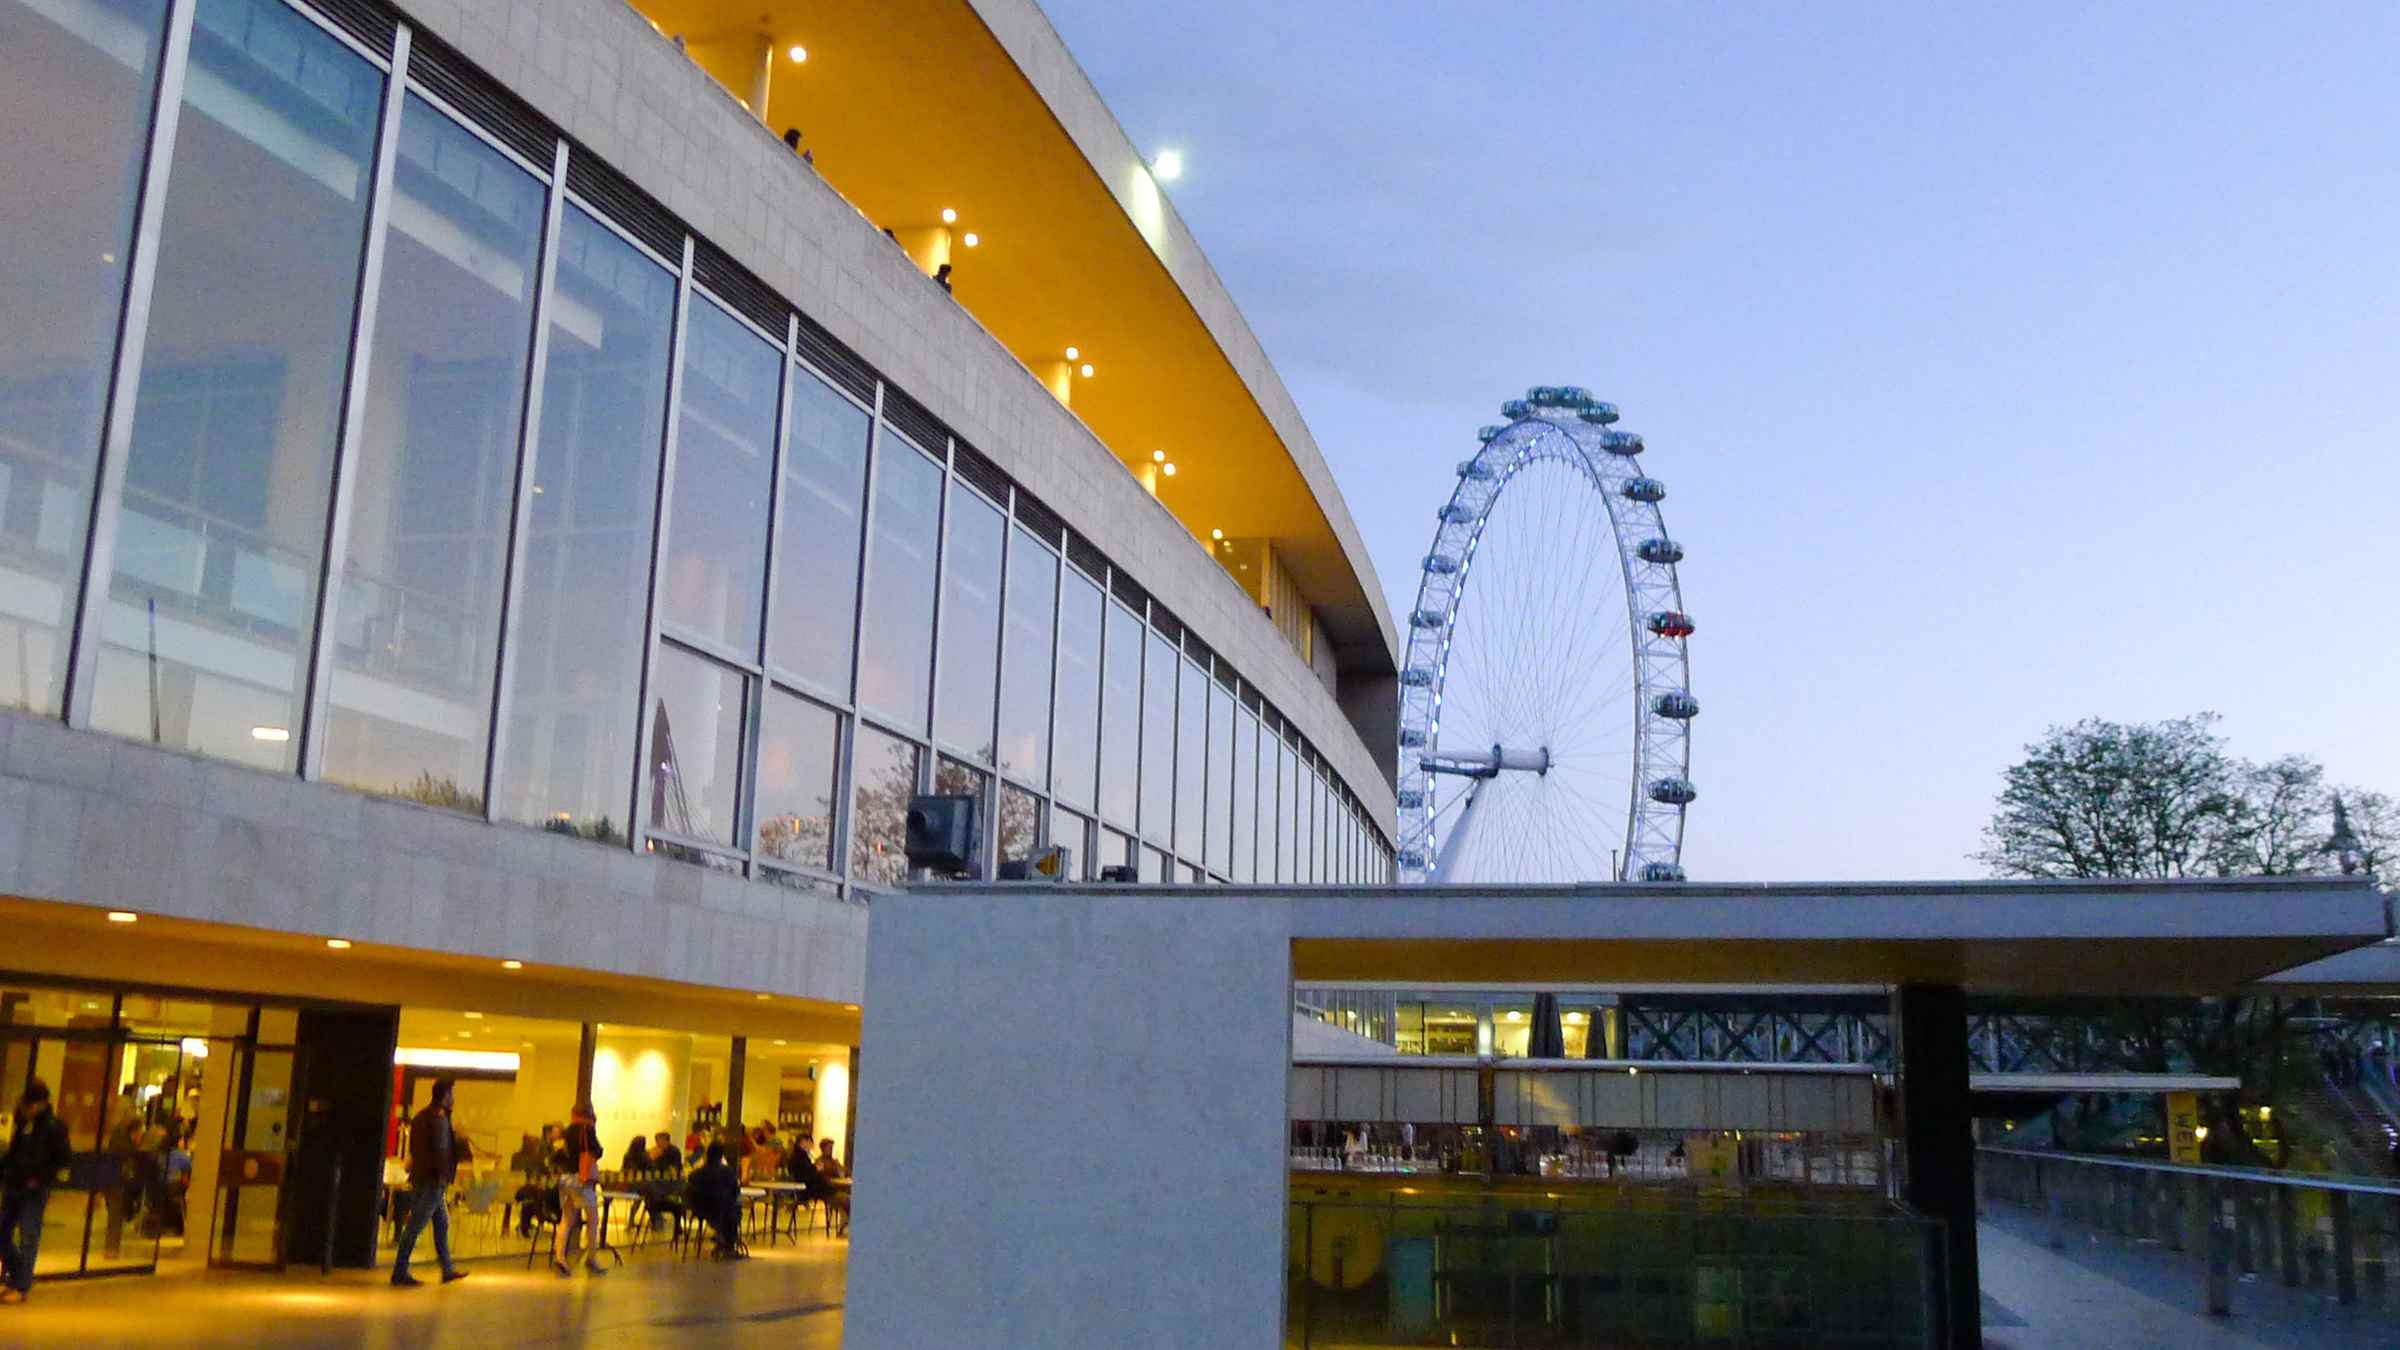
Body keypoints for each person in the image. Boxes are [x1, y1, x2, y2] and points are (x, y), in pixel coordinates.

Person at [0, 1080, 75, 1304]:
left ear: (42, 1104)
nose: (28, 1109)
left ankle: (21, 1285)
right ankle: (17, 1272)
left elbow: (62, 1160)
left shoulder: (54, 1127)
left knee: (28, 1236)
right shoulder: (24, 1124)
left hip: (33, 1188)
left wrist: (39, 1179)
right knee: (3, 1230)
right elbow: (14, 1153)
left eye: (31, 1105)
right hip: (14, 1185)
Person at [391, 1077, 467, 1287]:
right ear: (444, 1096)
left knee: (442, 1223)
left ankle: (447, 1268)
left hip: (422, 1177)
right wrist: (444, 1176)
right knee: (415, 1225)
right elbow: (442, 1150)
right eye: (451, 1094)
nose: (453, 1098)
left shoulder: (421, 1116)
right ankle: (400, 1270)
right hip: (434, 1181)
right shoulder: (440, 1119)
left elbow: (416, 1149)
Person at [552, 1102, 606, 1278]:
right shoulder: (587, 1129)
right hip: (581, 1178)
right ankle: (591, 1257)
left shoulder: (566, 1132)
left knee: (566, 1219)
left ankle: (560, 1257)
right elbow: (596, 1151)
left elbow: (559, 1155)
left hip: (565, 1178)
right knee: (593, 1218)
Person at [688, 1142, 744, 1258]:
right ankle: (729, 1245)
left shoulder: (695, 1174)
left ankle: (720, 1236)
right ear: (721, 1155)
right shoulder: (728, 1172)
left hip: (701, 1210)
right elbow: (735, 1191)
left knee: (725, 1211)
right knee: (734, 1210)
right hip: (723, 1210)